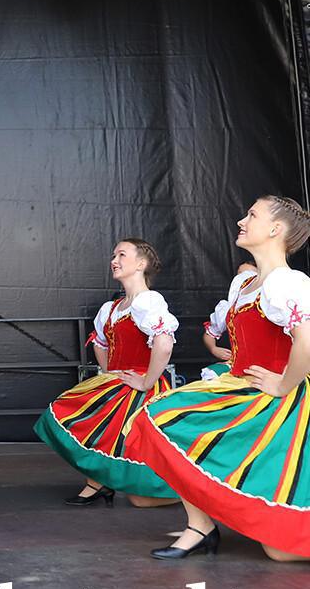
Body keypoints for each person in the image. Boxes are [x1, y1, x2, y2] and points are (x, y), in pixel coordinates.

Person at [126, 197, 310, 561]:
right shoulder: (245, 284)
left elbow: (306, 338)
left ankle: (212, 528)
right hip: (241, 385)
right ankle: (200, 526)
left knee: (280, 551)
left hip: (280, 400)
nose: (242, 220)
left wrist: (282, 384)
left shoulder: (287, 281)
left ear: (275, 229)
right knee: (158, 421)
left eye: (252, 215)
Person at [34, 239, 179, 508]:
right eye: (114, 255)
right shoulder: (111, 308)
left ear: (141, 264)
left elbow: (164, 342)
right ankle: (97, 483)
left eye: (122, 254)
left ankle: (184, 493)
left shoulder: (148, 301)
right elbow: (100, 343)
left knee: (139, 486)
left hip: (143, 387)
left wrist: (147, 380)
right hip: (121, 381)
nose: (114, 260)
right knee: (93, 428)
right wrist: (110, 374)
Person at [202, 261, 257, 370]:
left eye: (249, 273)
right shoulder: (228, 308)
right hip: (240, 365)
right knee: (211, 374)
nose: (244, 277)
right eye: (240, 274)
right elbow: (209, 334)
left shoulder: (272, 304)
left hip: (269, 367)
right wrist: (214, 348)